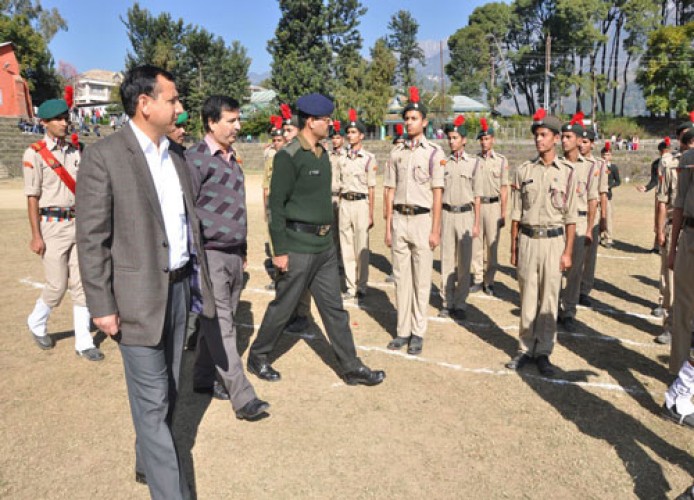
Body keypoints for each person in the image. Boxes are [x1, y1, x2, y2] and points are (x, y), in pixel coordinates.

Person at [76, 65, 216, 499]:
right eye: (172, 99)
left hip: (178, 292)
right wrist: (101, 304)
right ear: (145, 104)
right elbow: (92, 238)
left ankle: (145, 460)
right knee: (154, 404)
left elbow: (187, 225)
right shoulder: (105, 156)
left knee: (169, 392)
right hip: (134, 300)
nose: (179, 107)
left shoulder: (175, 156)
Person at [246, 93, 385, 386]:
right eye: (325, 120)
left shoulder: (322, 156)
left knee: (334, 309)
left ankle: (351, 367)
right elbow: (276, 206)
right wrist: (280, 251)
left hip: (324, 248)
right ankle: (258, 356)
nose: (330, 124)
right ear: (311, 121)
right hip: (297, 248)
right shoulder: (289, 156)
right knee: (283, 307)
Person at [185, 95, 270, 420]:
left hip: (234, 255)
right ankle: (243, 398)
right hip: (208, 256)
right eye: (231, 121)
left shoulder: (232, 158)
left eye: (238, 120)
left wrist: (243, 250)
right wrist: (196, 258)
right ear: (211, 122)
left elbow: (235, 208)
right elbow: (187, 211)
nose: (238, 126)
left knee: (220, 321)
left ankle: (203, 378)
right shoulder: (195, 159)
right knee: (222, 326)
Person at [23, 97, 104, 361]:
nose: (63, 123)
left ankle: (83, 342)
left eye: (65, 117)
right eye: (57, 119)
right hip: (52, 226)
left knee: (81, 285)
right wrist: (36, 235)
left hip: (77, 224)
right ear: (44, 123)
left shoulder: (75, 151)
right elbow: (32, 197)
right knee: (57, 285)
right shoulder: (34, 153)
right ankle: (36, 322)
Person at [506, 108, 577, 376]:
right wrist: (513, 247)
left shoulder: (568, 172)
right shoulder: (524, 170)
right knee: (527, 297)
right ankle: (524, 348)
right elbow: (516, 212)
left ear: (556, 138)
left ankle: (544, 351)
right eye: (536, 135)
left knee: (549, 299)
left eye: (544, 135)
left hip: (554, 242)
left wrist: (568, 252)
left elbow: (571, 217)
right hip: (528, 239)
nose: (539, 140)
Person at [384, 86, 445, 356]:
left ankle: (418, 332)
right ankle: (402, 330)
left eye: (413, 119)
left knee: (421, 280)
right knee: (401, 278)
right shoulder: (396, 152)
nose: (408, 123)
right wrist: (388, 227)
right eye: (406, 119)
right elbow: (389, 189)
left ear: (424, 122)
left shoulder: (434, 153)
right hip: (400, 218)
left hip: (422, 220)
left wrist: (435, 230)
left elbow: (437, 193)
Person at [662, 138, 694, 426]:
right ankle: (678, 377)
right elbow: (680, 205)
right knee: (684, 311)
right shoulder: (689, 160)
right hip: (691, 241)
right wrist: (672, 250)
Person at [557, 113, 599, 333]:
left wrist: (590, 228)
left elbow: (593, 199)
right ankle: (553, 307)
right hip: (559, 221)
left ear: (577, 139)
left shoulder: (589, 167)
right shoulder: (556, 164)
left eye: (568, 137)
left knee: (574, 272)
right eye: (562, 137)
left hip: (581, 221)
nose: (563, 141)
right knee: (556, 268)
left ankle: (569, 310)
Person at [438, 115, 479, 320]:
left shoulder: (473, 163)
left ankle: (461, 302)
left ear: (464, 140)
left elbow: (477, 196)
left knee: (464, 262)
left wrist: (477, 223)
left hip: (465, 215)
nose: (451, 141)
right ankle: (447, 301)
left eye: (455, 138)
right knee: (446, 260)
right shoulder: (442, 162)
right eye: (450, 138)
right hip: (447, 214)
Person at [653, 134, 689, 347]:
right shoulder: (670, 164)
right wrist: (660, 230)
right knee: (673, 282)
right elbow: (663, 201)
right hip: (679, 225)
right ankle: (670, 325)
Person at [338, 109, 376, 301]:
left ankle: (362, 285)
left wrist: (370, 213)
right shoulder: (341, 158)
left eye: (354, 133)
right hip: (345, 202)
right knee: (346, 247)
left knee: (362, 247)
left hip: (361, 204)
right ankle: (350, 286)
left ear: (361, 135)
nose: (350, 136)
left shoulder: (369, 158)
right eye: (348, 133)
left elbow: (371, 188)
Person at [471, 117, 508, 296]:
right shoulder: (474, 161)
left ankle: (489, 280)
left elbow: (504, 188)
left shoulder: (501, 161)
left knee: (492, 246)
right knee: (476, 245)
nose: (484, 142)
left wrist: (503, 212)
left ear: (493, 140)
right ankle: (478, 278)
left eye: (487, 139)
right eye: (482, 139)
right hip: (478, 205)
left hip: (494, 206)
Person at [262, 114, 287, 291]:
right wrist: (266, 209)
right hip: (273, 207)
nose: (277, 143)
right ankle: (277, 277)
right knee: (273, 243)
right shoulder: (270, 161)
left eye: (280, 140)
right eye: (275, 140)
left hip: (287, 207)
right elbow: (265, 187)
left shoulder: (291, 159)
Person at [638, 138, 672, 255]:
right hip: (660, 193)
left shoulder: (675, 161)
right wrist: (646, 188)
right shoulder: (656, 163)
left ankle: (666, 245)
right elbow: (654, 180)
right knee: (658, 220)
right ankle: (657, 245)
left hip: (671, 194)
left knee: (668, 220)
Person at [329, 119, 346, 266]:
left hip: (341, 197)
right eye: (333, 137)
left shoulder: (346, 156)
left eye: (338, 137)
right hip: (329, 198)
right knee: (331, 230)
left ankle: (342, 261)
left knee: (343, 230)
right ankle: (334, 259)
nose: (335, 140)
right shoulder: (328, 156)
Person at [600, 143, 620, 248]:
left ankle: (608, 238)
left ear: (611, 156)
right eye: (604, 154)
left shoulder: (613, 167)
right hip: (597, 196)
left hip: (607, 196)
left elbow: (618, 181)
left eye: (608, 154)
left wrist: (609, 185)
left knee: (608, 218)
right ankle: (598, 236)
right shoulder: (597, 166)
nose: (605, 156)